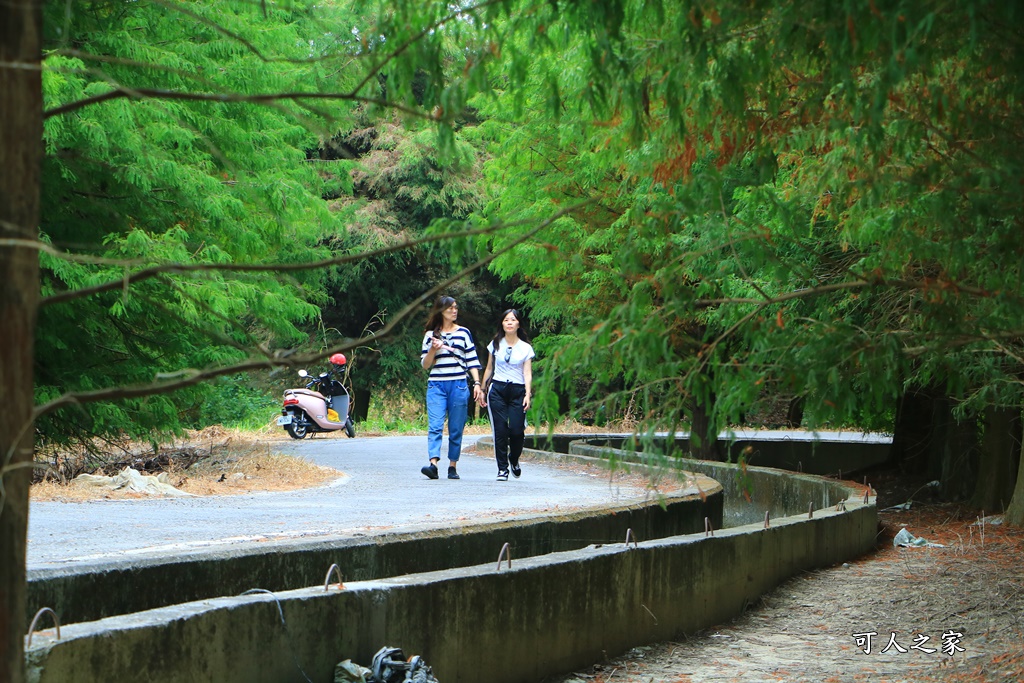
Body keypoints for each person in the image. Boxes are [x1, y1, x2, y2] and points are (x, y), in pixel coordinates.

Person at [420, 295, 484, 480]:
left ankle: (452, 465)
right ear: (441, 311)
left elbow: (472, 360)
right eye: (450, 308)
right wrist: (433, 349)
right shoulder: (430, 335)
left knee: (456, 427)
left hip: (458, 384)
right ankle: (433, 464)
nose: (454, 311)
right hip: (437, 385)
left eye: (456, 308)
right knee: (435, 425)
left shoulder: (464, 333)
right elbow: (425, 365)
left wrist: (477, 383)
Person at [478, 309, 535, 481]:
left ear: (518, 324)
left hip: (518, 391)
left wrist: (527, 394)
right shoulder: (495, 343)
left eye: (513, 320)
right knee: (500, 430)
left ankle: (514, 459)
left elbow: (527, 373)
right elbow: (489, 368)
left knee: (517, 431)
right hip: (498, 390)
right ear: (502, 324)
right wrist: (482, 389)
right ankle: (502, 469)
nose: (509, 323)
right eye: (506, 320)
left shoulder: (525, 348)